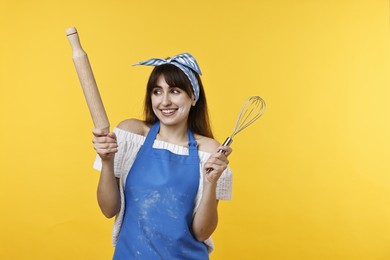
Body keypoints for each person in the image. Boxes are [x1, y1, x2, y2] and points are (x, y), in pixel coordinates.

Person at [92, 53, 233, 259]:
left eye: (175, 91)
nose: (165, 101)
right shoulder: (131, 134)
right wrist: (107, 161)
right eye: (157, 92)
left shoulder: (209, 152)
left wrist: (211, 182)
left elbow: (202, 232)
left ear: (193, 96)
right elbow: (108, 209)